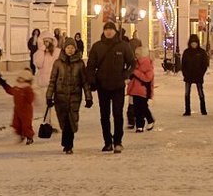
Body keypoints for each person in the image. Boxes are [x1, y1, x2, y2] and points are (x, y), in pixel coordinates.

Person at [88, 21, 135, 153]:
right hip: (103, 85)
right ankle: (107, 141)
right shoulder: (97, 47)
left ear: (115, 31)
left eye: (111, 29)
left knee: (117, 114)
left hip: (118, 85)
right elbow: (91, 65)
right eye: (106, 29)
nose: (108, 32)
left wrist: (126, 75)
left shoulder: (123, 46)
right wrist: (92, 81)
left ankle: (118, 141)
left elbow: (132, 63)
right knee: (104, 115)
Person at [48, 36, 91, 154]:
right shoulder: (58, 63)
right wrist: (49, 96)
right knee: (63, 120)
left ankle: (69, 145)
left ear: (75, 49)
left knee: (71, 120)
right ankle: (66, 142)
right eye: (68, 47)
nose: (70, 50)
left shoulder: (80, 64)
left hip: (74, 96)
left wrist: (88, 97)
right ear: (64, 48)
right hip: (60, 97)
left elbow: (84, 82)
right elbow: (52, 80)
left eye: (72, 47)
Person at [127, 49, 156, 133]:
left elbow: (147, 78)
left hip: (144, 90)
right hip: (134, 90)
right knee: (136, 108)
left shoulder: (147, 64)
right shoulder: (134, 64)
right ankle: (139, 125)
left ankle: (150, 120)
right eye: (135, 54)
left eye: (138, 54)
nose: (136, 56)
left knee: (143, 107)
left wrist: (136, 73)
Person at [4, 70, 36, 144]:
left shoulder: (27, 89)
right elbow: (10, 91)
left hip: (26, 110)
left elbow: (30, 99)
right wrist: (4, 85)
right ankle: (20, 134)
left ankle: (29, 136)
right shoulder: (17, 88)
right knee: (16, 123)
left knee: (26, 124)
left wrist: (26, 97)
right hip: (17, 109)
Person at [181, 33, 209, 115]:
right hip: (188, 76)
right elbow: (183, 64)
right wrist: (185, 74)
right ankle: (187, 110)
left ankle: (203, 110)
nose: (194, 44)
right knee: (187, 93)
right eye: (192, 43)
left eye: (195, 42)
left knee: (200, 93)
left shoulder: (201, 52)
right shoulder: (186, 52)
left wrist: (201, 73)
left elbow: (205, 64)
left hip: (198, 75)